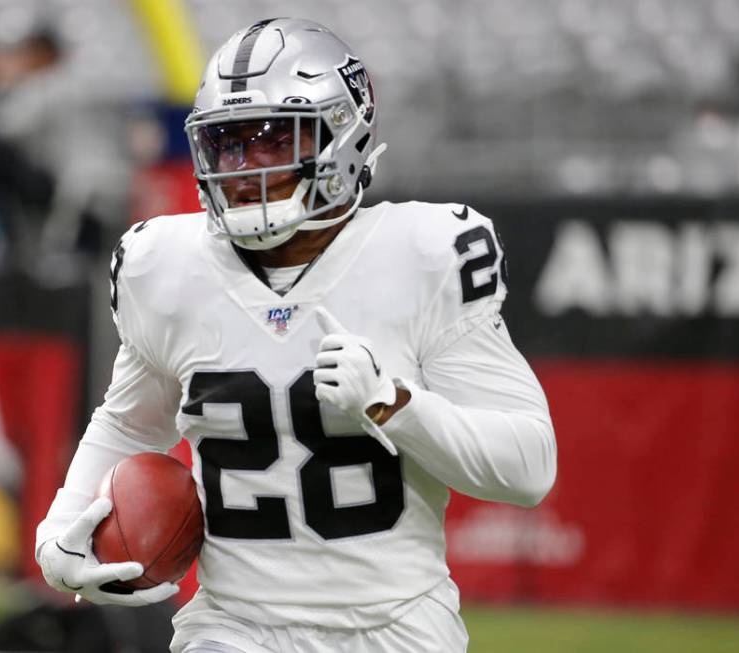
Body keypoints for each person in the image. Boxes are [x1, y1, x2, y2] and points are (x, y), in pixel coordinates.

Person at [36, 18, 556, 653]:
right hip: (232, 626)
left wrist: (396, 407)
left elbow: (529, 468)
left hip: (393, 628)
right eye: (226, 145)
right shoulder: (163, 265)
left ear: (343, 135)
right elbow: (131, 423)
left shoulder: (424, 255)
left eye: (271, 140)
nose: (241, 167)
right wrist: (61, 524)